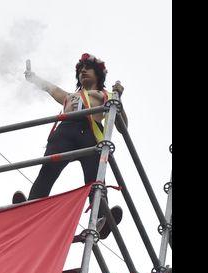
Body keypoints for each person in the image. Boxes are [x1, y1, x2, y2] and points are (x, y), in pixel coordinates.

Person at [12, 53, 125, 238]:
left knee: (95, 179)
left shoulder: (106, 95)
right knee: (47, 170)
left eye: (88, 68)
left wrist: (119, 98)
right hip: (65, 131)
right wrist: (33, 78)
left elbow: (122, 126)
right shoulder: (69, 96)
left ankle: (101, 218)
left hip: (90, 133)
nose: (83, 71)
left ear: (98, 74)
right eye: (81, 70)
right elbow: (50, 88)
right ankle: (31, 207)